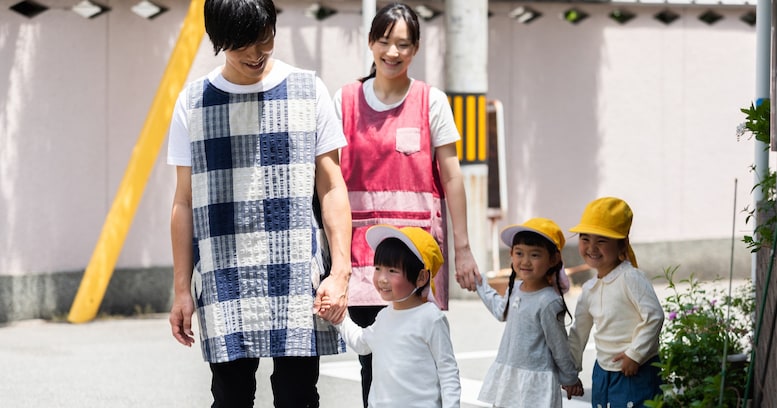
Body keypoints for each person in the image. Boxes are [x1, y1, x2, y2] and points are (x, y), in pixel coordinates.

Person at [166, 0, 352, 406]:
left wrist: (340, 271)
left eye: (264, 38)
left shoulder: (309, 89)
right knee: (230, 397)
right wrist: (182, 289)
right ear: (218, 41)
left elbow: (333, 187)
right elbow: (183, 202)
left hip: (298, 272)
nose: (255, 53)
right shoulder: (193, 102)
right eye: (241, 44)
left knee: (298, 395)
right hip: (224, 275)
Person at [332, 3, 480, 404]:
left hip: (414, 255)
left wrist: (463, 250)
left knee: (415, 352)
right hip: (363, 254)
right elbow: (326, 180)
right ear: (370, 43)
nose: (392, 53)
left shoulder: (431, 102)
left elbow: (452, 175)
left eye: (402, 44)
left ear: (415, 49)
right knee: (371, 359)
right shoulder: (344, 101)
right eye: (384, 42)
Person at [317, 225, 461, 408]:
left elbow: (448, 371)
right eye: (378, 268)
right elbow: (362, 343)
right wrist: (339, 318)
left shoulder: (430, 318)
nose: (382, 278)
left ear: (421, 277)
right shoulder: (384, 316)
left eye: (392, 271)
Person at [475, 218, 583, 407]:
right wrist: (480, 284)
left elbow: (559, 345)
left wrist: (570, 378)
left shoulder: (549, 301)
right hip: (510, 378)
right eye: (519, 253)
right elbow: (502, 311)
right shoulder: (515, 288)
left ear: (553, 259)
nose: (525, 261)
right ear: (511, 254)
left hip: (535, 384)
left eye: (535, 255)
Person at [567, 197, 664, 407]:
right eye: (585, 238)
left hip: (636, 369)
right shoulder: (589, 289)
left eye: (601, 240)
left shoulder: (630, 277)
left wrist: (635, 355)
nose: (591, 247)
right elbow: (579, 332)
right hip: (603, 371)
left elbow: (654, 316)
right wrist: (571, 372)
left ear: (622, 245)